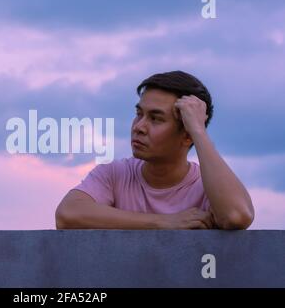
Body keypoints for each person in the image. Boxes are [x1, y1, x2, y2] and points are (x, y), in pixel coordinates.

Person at [55, 70, 254, 230]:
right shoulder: (115, 174)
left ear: (186, 136)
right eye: (138, 114)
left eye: (156, 119)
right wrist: (164, 222)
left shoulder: (209, 188)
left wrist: (198, 131)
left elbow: (236, 216)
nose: (138, 127)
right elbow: (67, 214)